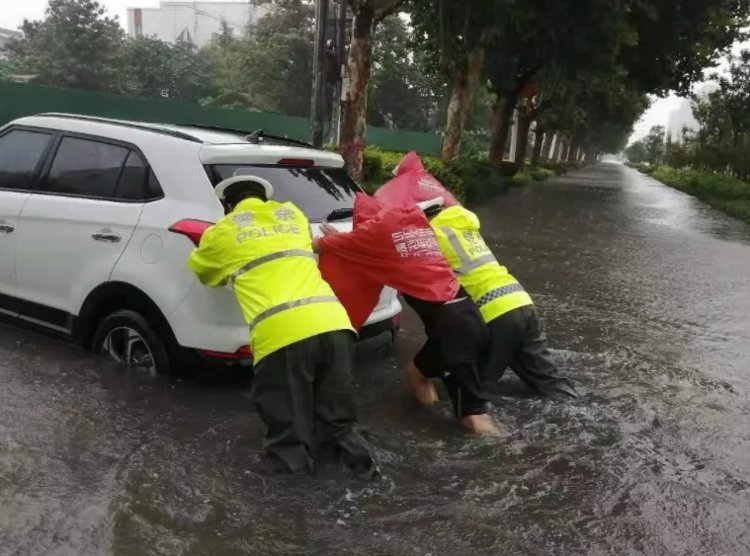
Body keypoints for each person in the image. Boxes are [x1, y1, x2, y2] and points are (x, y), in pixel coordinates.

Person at [187, 175, 376, 475]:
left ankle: (292, 514)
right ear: (265, 198)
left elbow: (203, 271)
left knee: (289, 440)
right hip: (335, 324)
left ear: (227, 205)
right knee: (339, 423)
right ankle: (367, 480)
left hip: (283, 336)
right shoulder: (295, 217)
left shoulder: (222, 232)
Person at [314, 195, 502, 436]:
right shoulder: (416, 231)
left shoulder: (370, 238)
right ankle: (428, 424)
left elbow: (315, 246)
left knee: (473, 417)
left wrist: (337, 241)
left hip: (452, 329)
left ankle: (510, 451)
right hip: (470, 314)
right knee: (416, 374)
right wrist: (343, 240)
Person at [423, 197, 578, 398]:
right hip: (520, 299)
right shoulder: (462, 226)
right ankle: (576, 406)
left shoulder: (429, 236)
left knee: (475, 387)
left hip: (493, 312)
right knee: (548, 382)